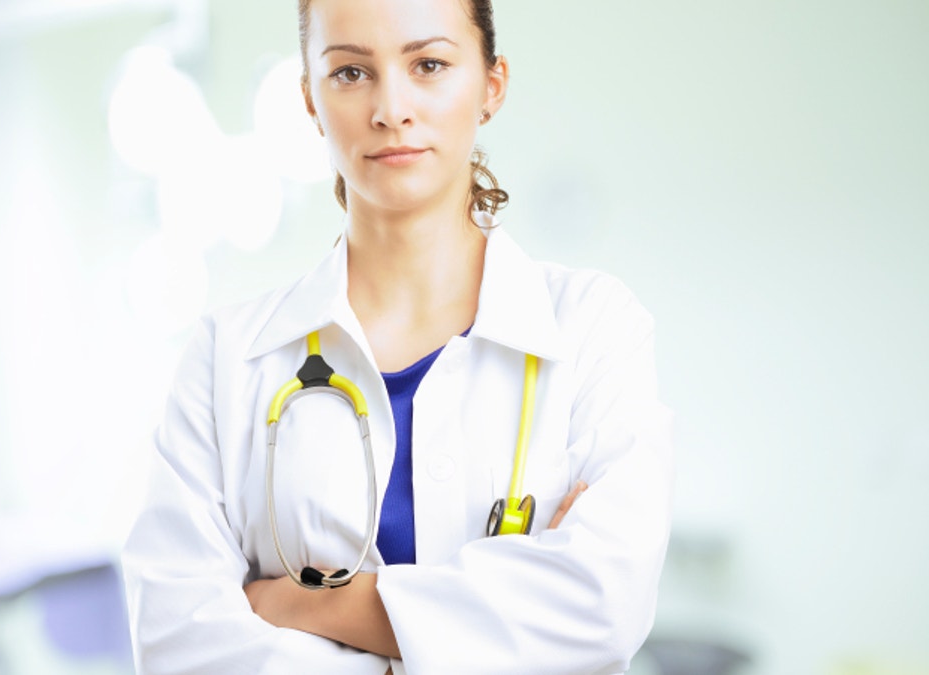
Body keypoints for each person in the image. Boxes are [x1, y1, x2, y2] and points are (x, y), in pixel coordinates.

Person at [121, 0, 674, 672]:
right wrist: (500, 622)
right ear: (309, 99)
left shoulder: (591, 327)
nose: (391, 107)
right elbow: (180, 642)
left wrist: (300, 604)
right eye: (351, 73)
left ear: (491, 84)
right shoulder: (227, 358)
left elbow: (599, 606)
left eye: (430, 64)